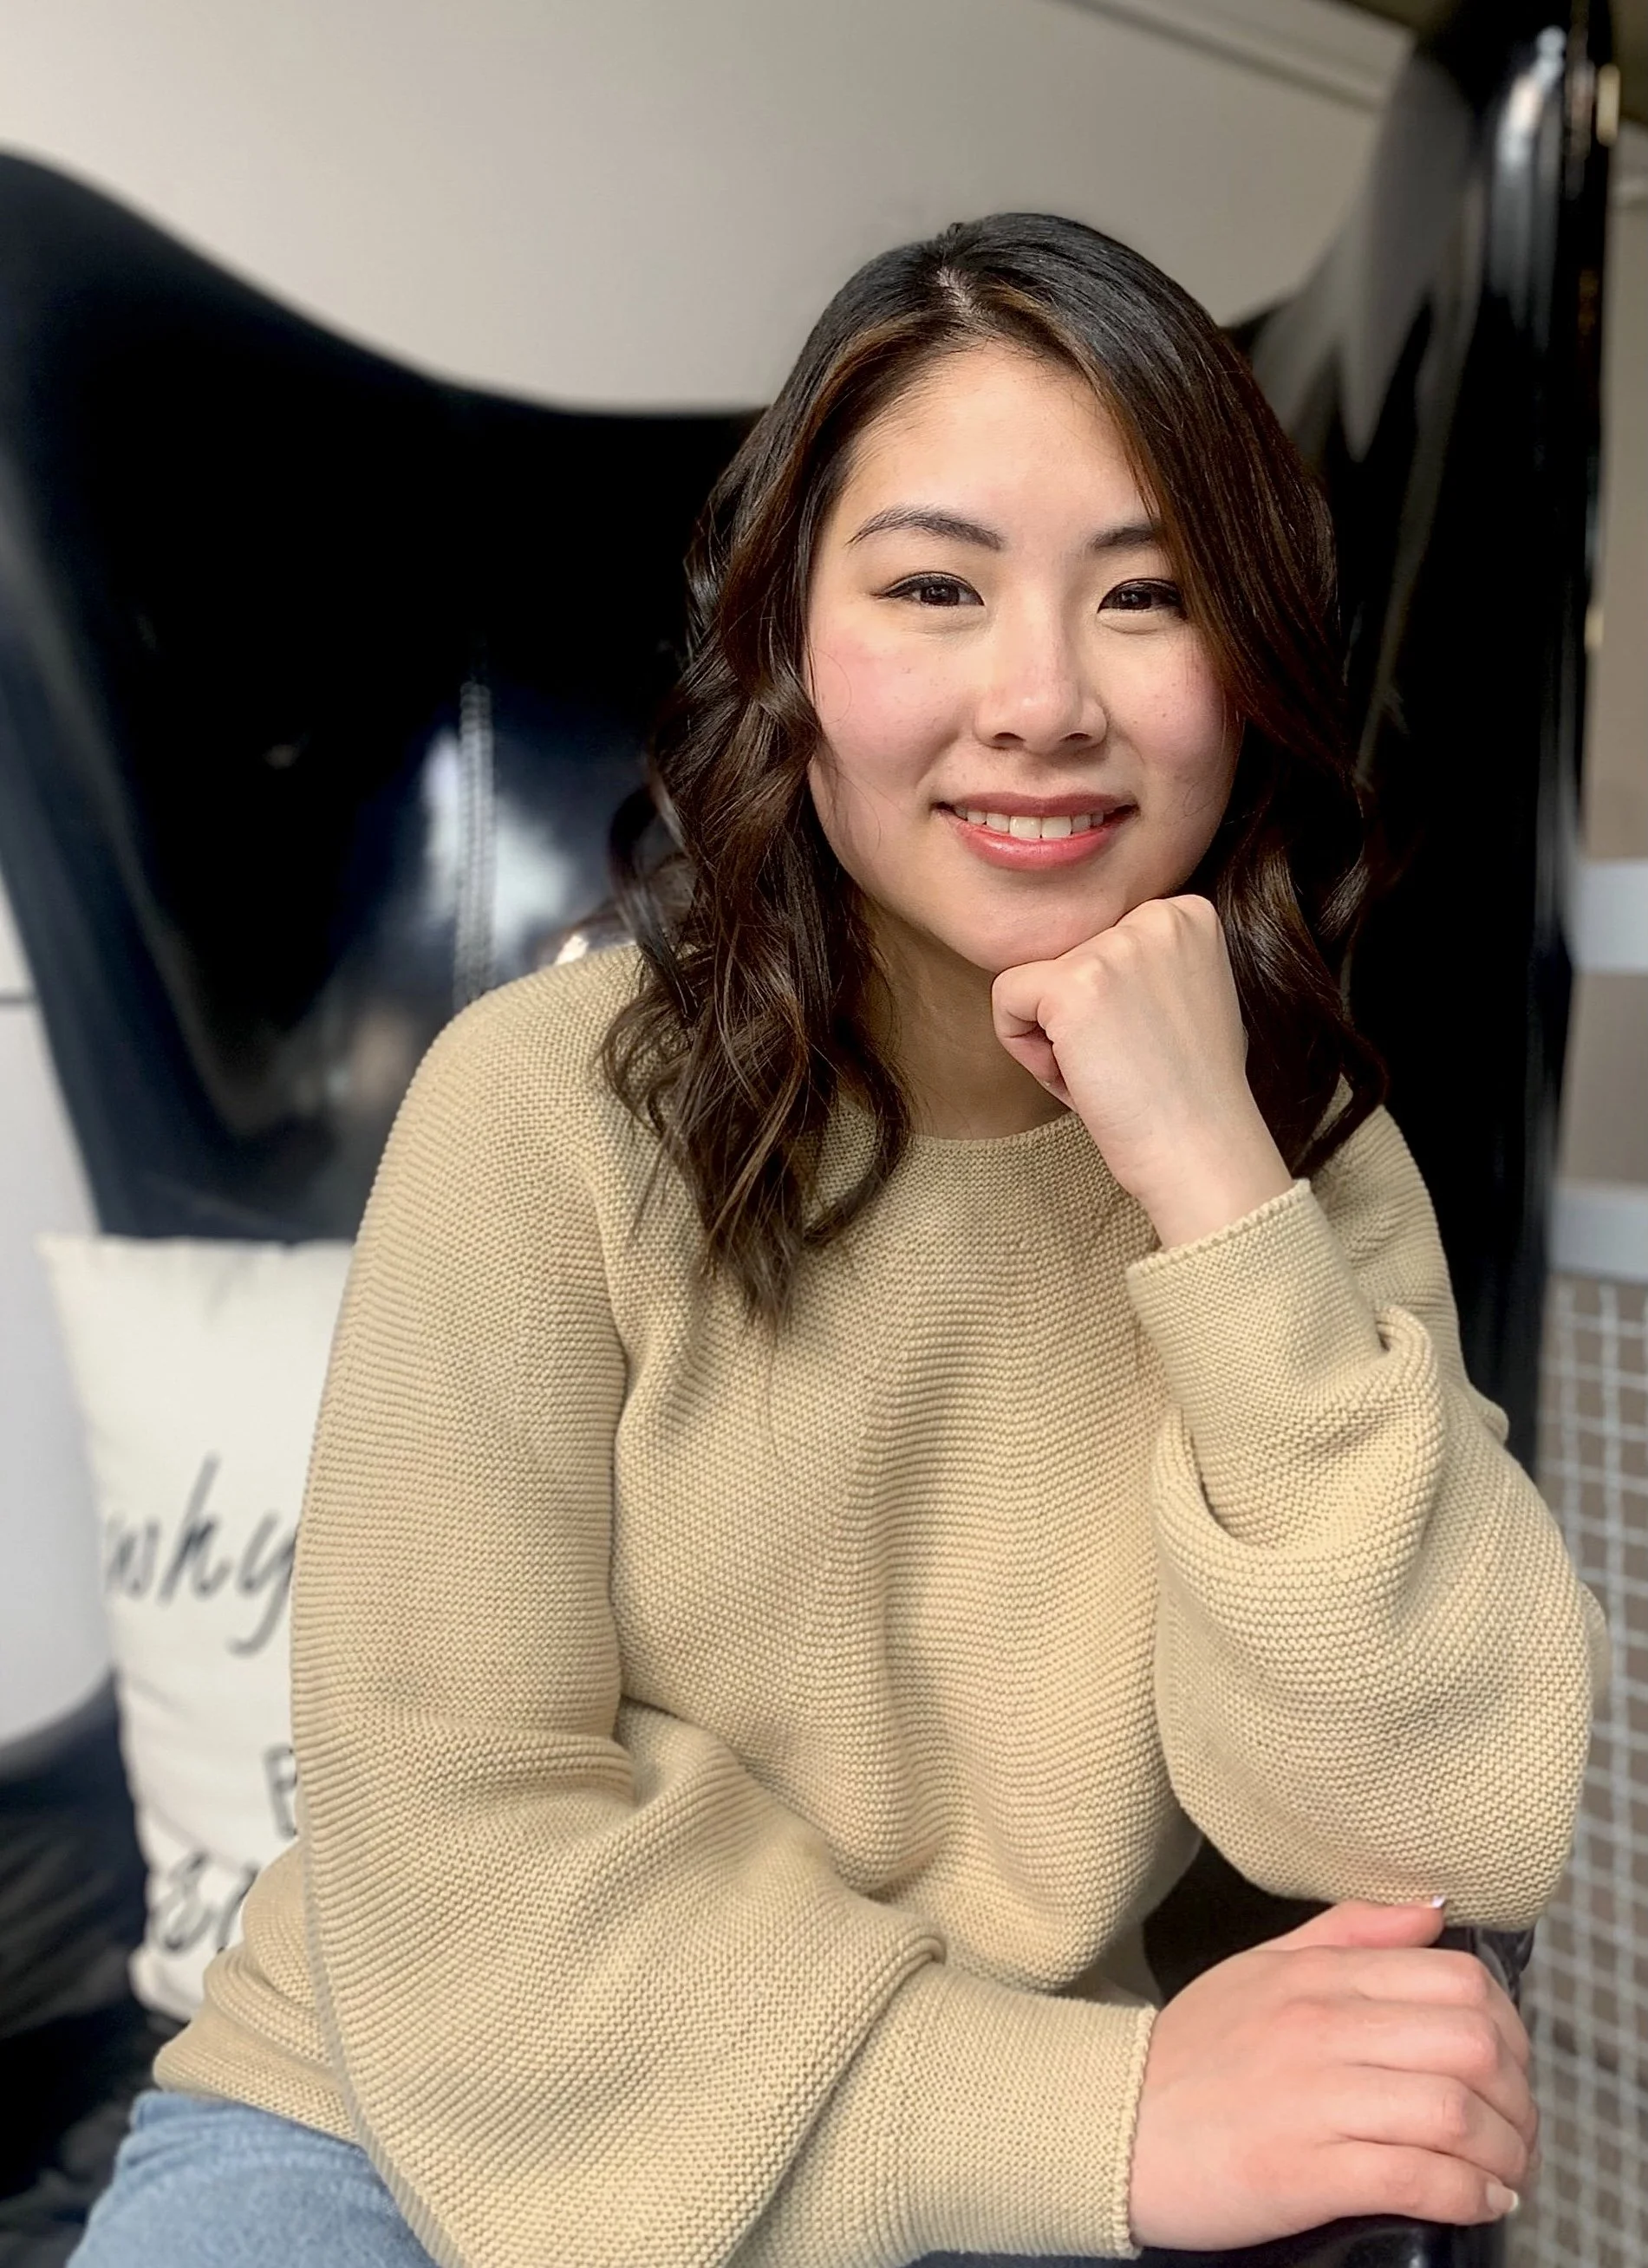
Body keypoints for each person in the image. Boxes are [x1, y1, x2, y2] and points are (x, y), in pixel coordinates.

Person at [73, 212, 1606, 2268]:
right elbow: (462, 1871)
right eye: (932, 588)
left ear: (1245, 667)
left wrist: (1210, 1191)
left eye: (1143, 593)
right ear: (788, 644)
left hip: (950, 2176)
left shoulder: (1302, 1167)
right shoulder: (539, 1110)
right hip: (404, 2131)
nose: (1042, 699)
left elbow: (1445, 1818)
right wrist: (1113, 2114)